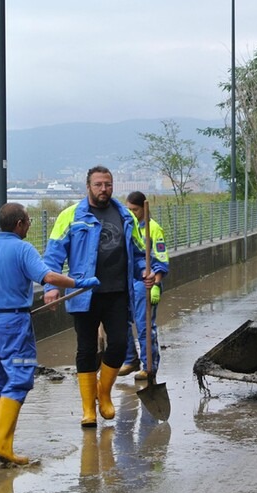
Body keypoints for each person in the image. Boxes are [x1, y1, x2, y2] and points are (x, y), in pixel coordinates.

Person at [0, 202, 99, 465]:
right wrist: (79, 282)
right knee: (18, 377)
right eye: (28, 221)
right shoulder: (22, 248)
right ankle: (2, 447)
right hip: (13, 323)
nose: (29, 225)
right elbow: (48, 277)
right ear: (19, 224)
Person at [42, 166, 168, 428]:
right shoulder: (70, 216)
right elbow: (53, 255)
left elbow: (137, 253)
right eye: (98, 184)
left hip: (117, 293)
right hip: (83, 293)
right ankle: (89, 408)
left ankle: (104, 392)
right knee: (86, 350)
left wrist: (147, 271)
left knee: (119, 345)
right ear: (88, 186)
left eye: (108, 184)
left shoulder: (124, 215)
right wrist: (50, 287)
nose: (104, 189)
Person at [118, 191, 169, 380]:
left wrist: (156, 282)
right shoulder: (126, 227)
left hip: (145, 282)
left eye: (135, 210)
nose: (131, 213)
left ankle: (149, 366)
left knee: (144, 325)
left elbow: (161, 258)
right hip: (127, 281)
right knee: (120, 321)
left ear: (143, 209)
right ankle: (130, 359)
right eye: (128, 209)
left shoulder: (153, 229)